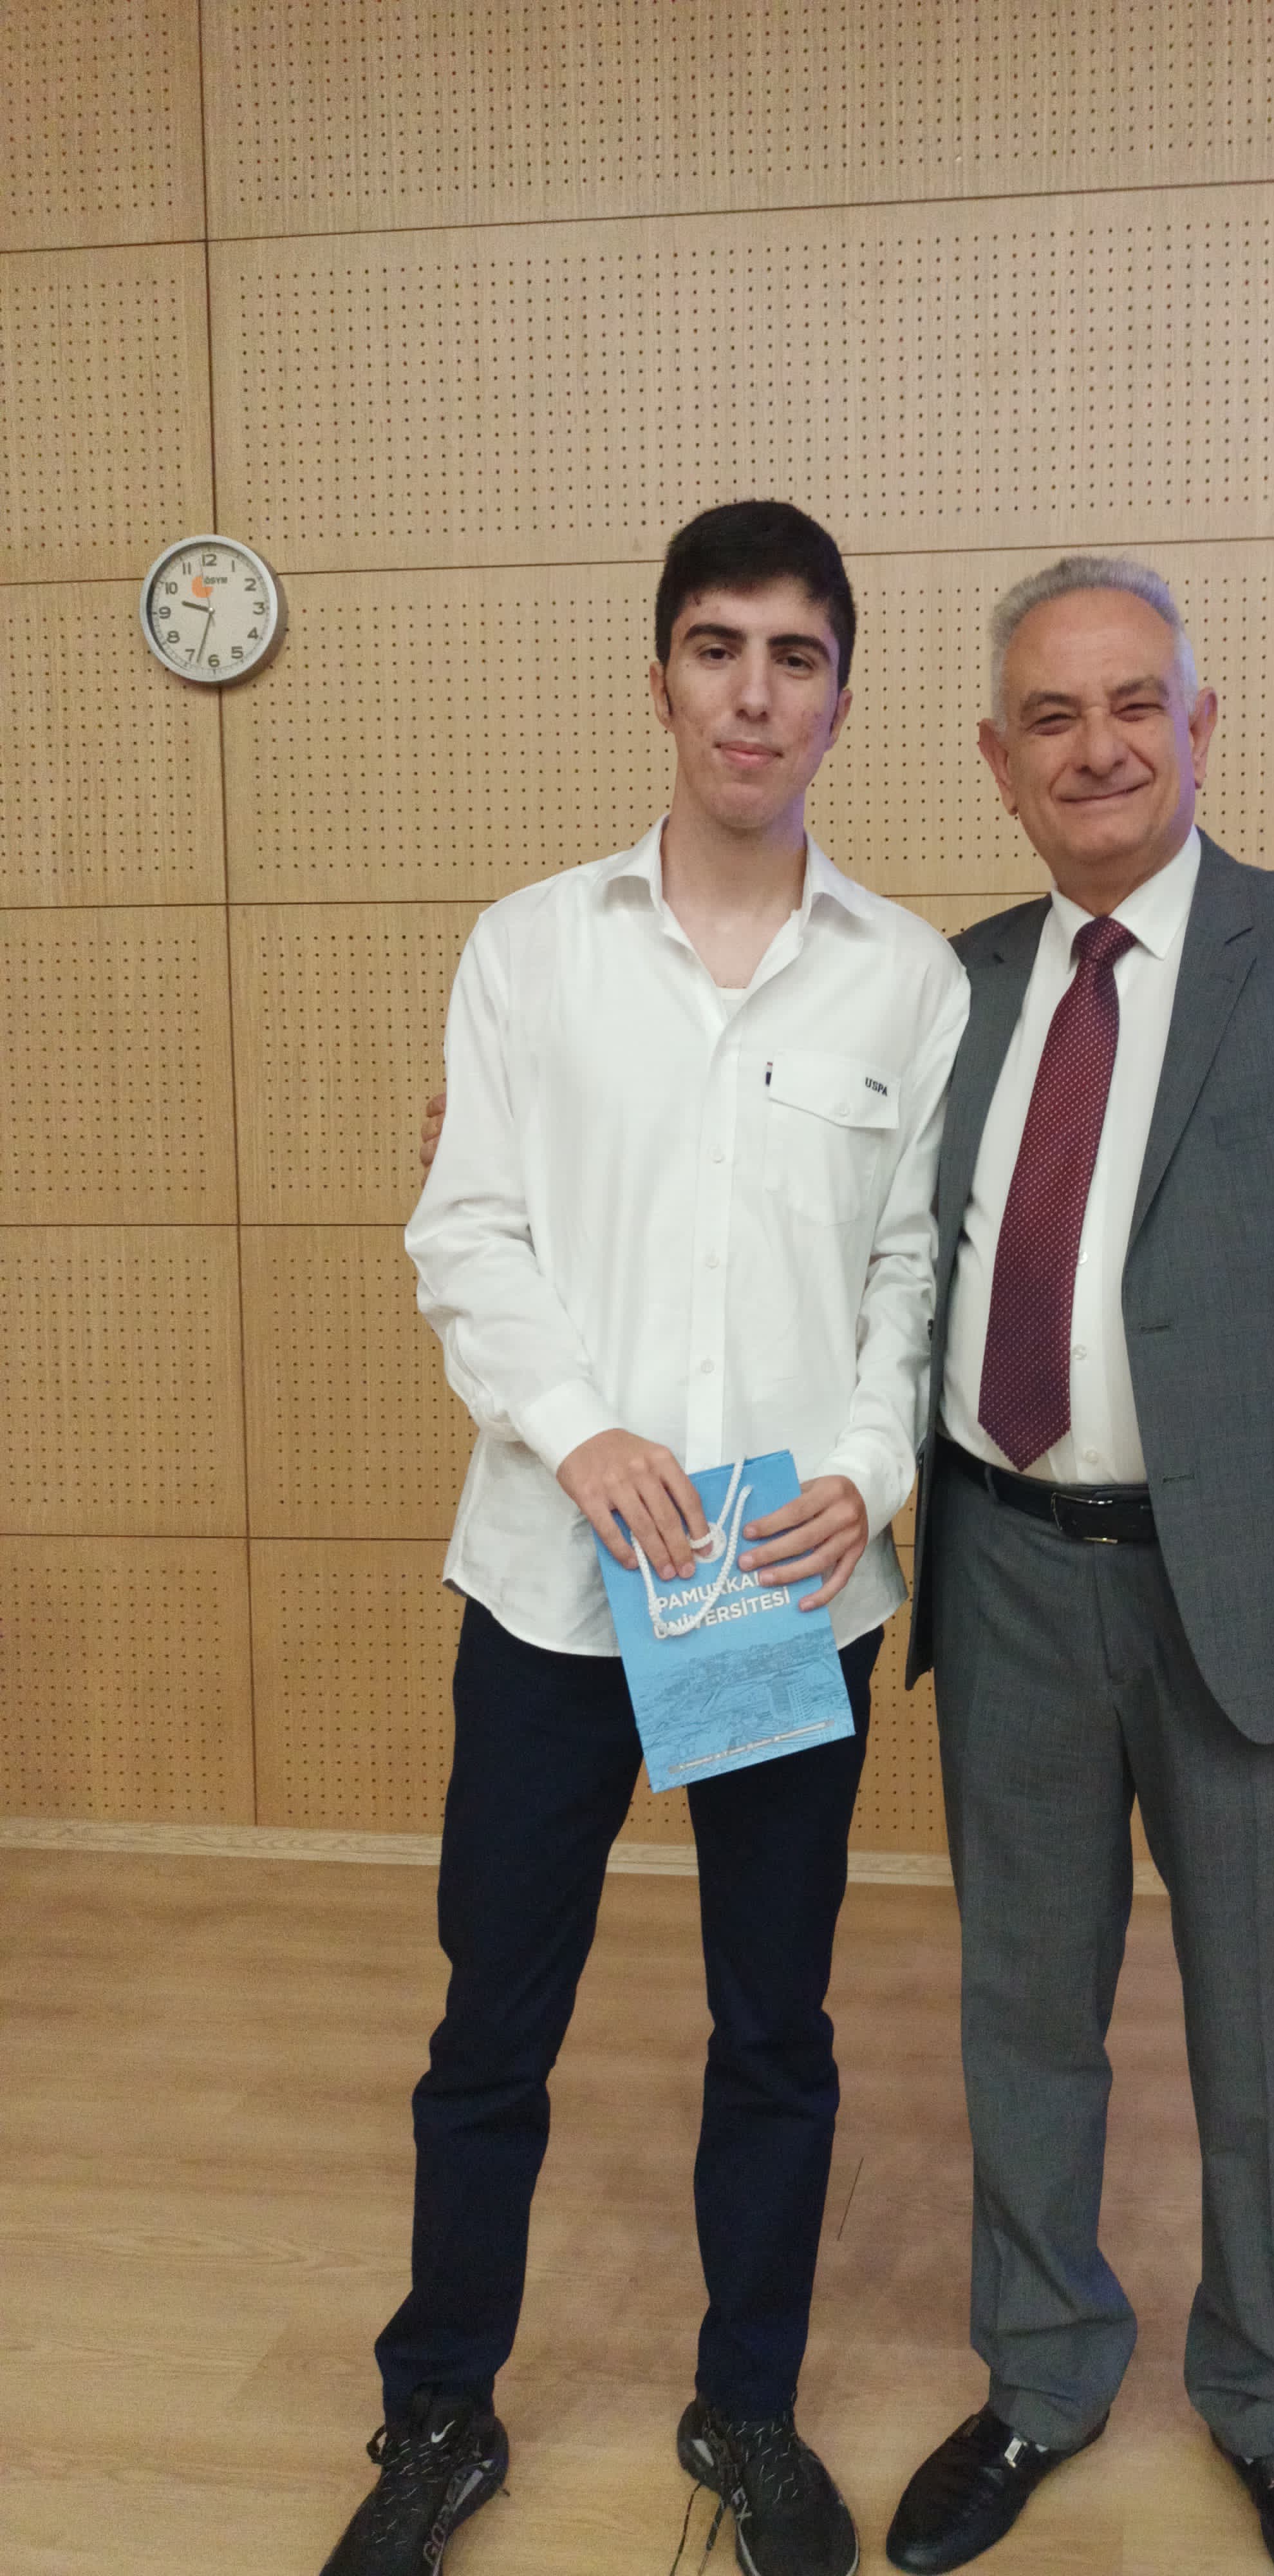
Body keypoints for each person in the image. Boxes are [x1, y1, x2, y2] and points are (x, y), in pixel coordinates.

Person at [323, 499, 967, 2576]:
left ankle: (746, 2410)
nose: (754, 695)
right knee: (490, 2025)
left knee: (775, 2030)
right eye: (717, 648)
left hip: (780, 1587)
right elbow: (467, 1231)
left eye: (796, 656)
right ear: (664, 676)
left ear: (841, 697)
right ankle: (440, 2412)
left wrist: (866, 1463)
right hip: (552, 1585)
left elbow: (910, 1275)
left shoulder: (906, 982)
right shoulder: (532, 948)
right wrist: (579, 1429)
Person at [881, 558, 1274, 2576]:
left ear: (1201, 726)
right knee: (1022, 2016)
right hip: (1006, 1580)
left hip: (1253, 1605)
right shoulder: (954, 988)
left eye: (1135, 703)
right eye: (1051, 719)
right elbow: (815, 1226)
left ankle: (1266, 2404)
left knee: (1258, 2041)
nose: (1098, 748)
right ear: (998, 764)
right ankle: (1042, 2377)